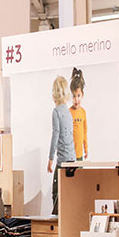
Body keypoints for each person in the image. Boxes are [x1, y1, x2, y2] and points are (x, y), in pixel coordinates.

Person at [47, 75, 76, 215]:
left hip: (63, 160)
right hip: (72, 157)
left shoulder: (56, 112)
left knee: (56, 192)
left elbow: (55, 134)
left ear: (55, 94)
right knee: (69, 193)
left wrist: (50, 158)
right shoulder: (68, 112)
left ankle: (57, 220)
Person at [69, 68, 88, 161]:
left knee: (80, 175)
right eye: (73, 96)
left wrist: (86, 148)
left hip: (79, 154)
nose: (76, 99)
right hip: (69, 154)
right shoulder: (68, 112)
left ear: (82, 95)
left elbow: (84, 131)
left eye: (78, 96)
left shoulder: (83, 112)